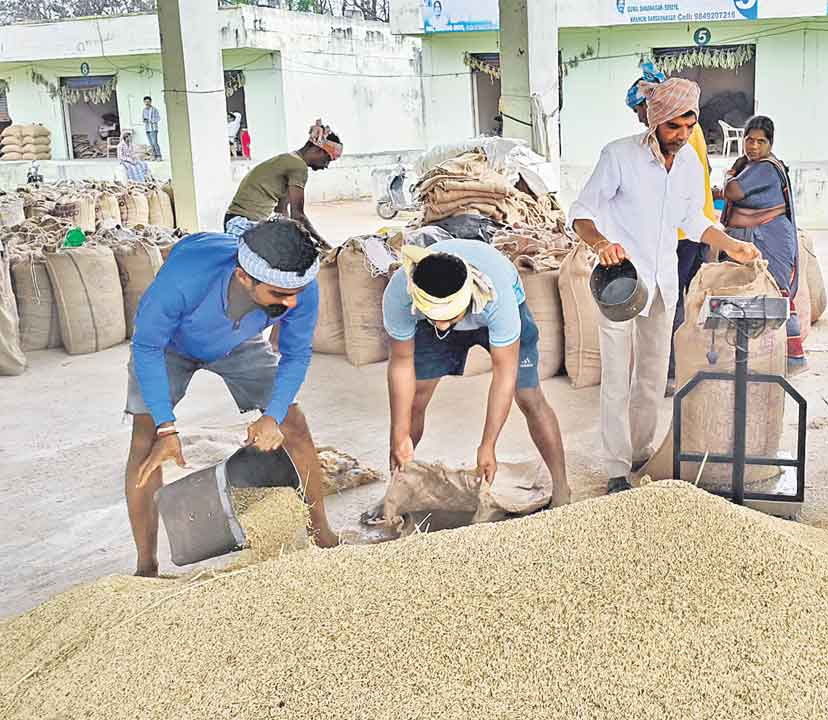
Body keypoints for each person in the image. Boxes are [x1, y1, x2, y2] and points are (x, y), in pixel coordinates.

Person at [569, 77, 761, 495]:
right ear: (655, 120)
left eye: (689, 126)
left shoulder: (690, 162)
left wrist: (732, 246)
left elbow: (693, 221)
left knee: (653, 376)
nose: (682, 135)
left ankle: (640, 450)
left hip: (662, 284)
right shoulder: (619, 156)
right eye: (674, 127)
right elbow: (581, 212)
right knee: (617, 377)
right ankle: (617, 466)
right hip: (619, 283)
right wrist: (601, 243)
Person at [125, 219, 339, 577]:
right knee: (144, 445)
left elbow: (297, 353)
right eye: (279, 296)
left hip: (237, 342)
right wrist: (166, 427)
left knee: (294, 425)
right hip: (169, 347)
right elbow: (147, 347)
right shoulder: (183, 281)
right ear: (243, 278)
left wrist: (272, 415)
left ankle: (323, 536)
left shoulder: (297, 285)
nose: (293, 302)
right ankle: (146, 567)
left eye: (298, 291)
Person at [382, 240, 570, 507]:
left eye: (448, 316)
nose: (443, 325)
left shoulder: (498, 298)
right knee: (413, 402)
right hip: (429, 318)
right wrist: (400, 434)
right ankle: (395, 492)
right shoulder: (400, 294)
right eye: (436, 317)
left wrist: (488, 444)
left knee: (528, 396)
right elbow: (401, 364)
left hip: (492, 307)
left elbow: (505, 372)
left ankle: (562, 487)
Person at [624, 62, 718, 395]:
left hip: (680, 234)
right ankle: (680, 366)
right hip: (694, 229)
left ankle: (667, 372)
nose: (639, 118)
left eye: (640, 109)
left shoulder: (674, 135)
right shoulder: (691, 128)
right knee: (684, 300)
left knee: (668, 302)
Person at [722, 115, 805, 374]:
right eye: (749, 140)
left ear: (770, 144)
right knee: (753, 295)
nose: (754, 146)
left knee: (777, 294)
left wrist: (728, 176)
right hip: (759, 236)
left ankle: (794, 358)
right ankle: (758, 357)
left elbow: (733, 192)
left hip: (770, 238)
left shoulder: (765, 168)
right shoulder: (751, 165)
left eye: (760, 141)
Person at [224, 119, 340, 243]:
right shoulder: (298, 167)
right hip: (244, 225)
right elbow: (298, 215)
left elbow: (281, 212)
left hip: (234, 221)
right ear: (318, 150)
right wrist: (324, 244)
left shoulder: (289, 160)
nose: (326, 165)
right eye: (328, 159)